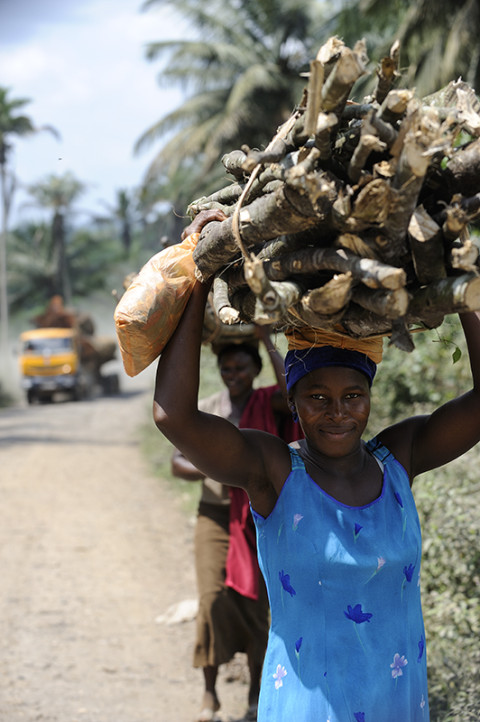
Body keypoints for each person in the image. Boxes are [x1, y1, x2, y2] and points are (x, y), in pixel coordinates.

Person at [153, 211, 480, 721]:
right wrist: (201, 274)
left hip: (400, 704)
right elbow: (175, 417)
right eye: (317, 397)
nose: (337, 412)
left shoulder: (399, 458)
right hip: (307, 710)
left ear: (370, 397)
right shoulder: (275, 473)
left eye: (353, 395)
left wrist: (464, 284)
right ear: (293, 399)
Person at [171, 330, 301, 722]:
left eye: (241, 366)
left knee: (258, 605)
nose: (233, 373)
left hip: (261, 518)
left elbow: (294, 393)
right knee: (212, 600)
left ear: (255, 368)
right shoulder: (209, 410)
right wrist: (214, 465)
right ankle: (209, 693)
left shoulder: (271, 402)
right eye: (226, 367)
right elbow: (178, 461)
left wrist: (266, 337)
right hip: (215, 514)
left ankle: (256, 698)